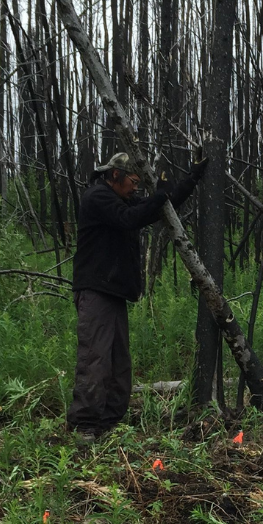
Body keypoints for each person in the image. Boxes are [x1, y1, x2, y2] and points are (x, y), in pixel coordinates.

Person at [67, 148, 205, 441]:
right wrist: (160, 194)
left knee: (118, 361)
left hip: (112, 291)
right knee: (96, 358)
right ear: (115, 175)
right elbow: (131, 218)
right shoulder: (99, 198)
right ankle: (85, 425)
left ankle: (110, 421)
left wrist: (190, 179)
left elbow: (155, 209)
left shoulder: (120, 199)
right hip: (96, 290)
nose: (136, 187)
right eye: (133, 180)